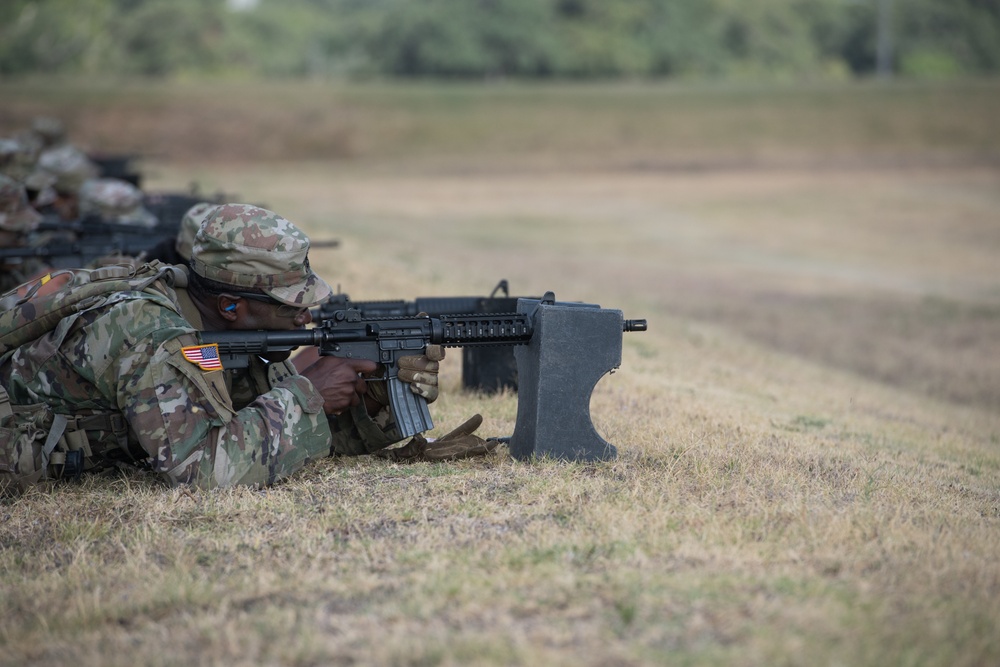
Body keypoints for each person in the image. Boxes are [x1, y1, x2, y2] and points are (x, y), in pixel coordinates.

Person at [0, 203, 482, 494]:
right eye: (289, 304)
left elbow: (267, 437)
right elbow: (203, 472)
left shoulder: (218, 327)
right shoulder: (150, 332)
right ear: (231, 305)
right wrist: (307, 393)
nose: (304, 315)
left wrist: (375, 399)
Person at [0, 174, 48, 294]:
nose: (20, 242)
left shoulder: (10, 265)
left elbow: (45, 278)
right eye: (14, 231)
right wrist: (22, 297)